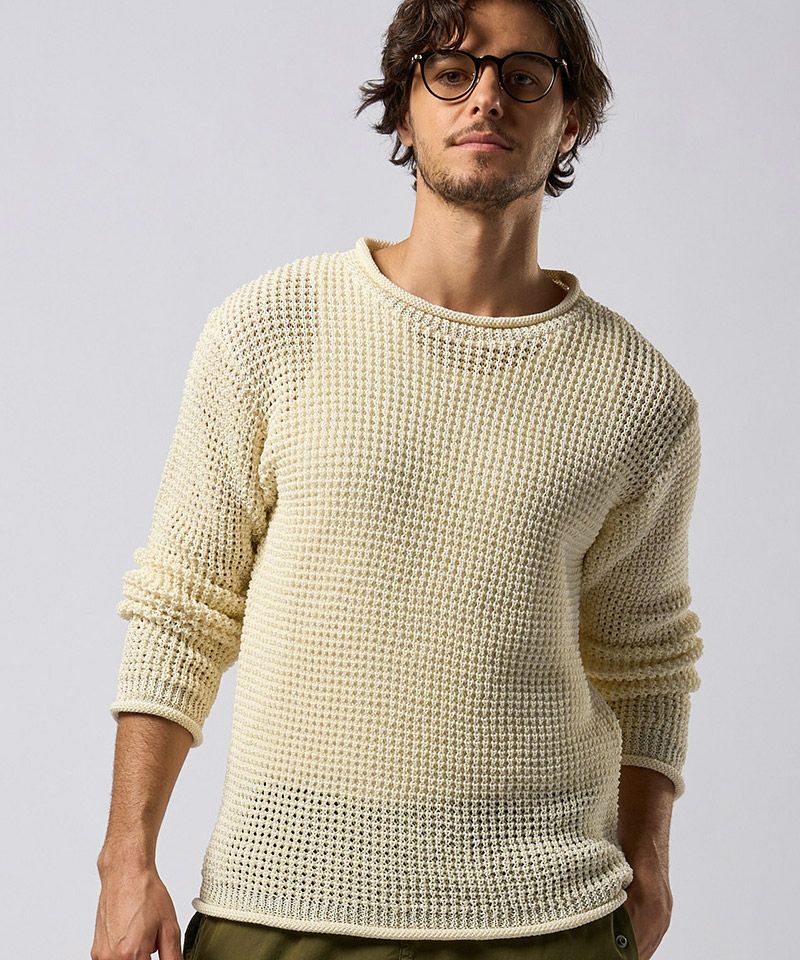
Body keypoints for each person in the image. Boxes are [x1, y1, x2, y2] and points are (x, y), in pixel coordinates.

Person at [92, 0, 704, 958]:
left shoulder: (639, 396)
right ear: (404, 108)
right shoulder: (273, 330)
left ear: (570, 118)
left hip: (547, 916)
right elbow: (184, 606)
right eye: (452, 72)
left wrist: (650, 867)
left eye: (525, 76)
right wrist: (126, 862)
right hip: (283, 901)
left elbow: (647, 657)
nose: (486, 98)